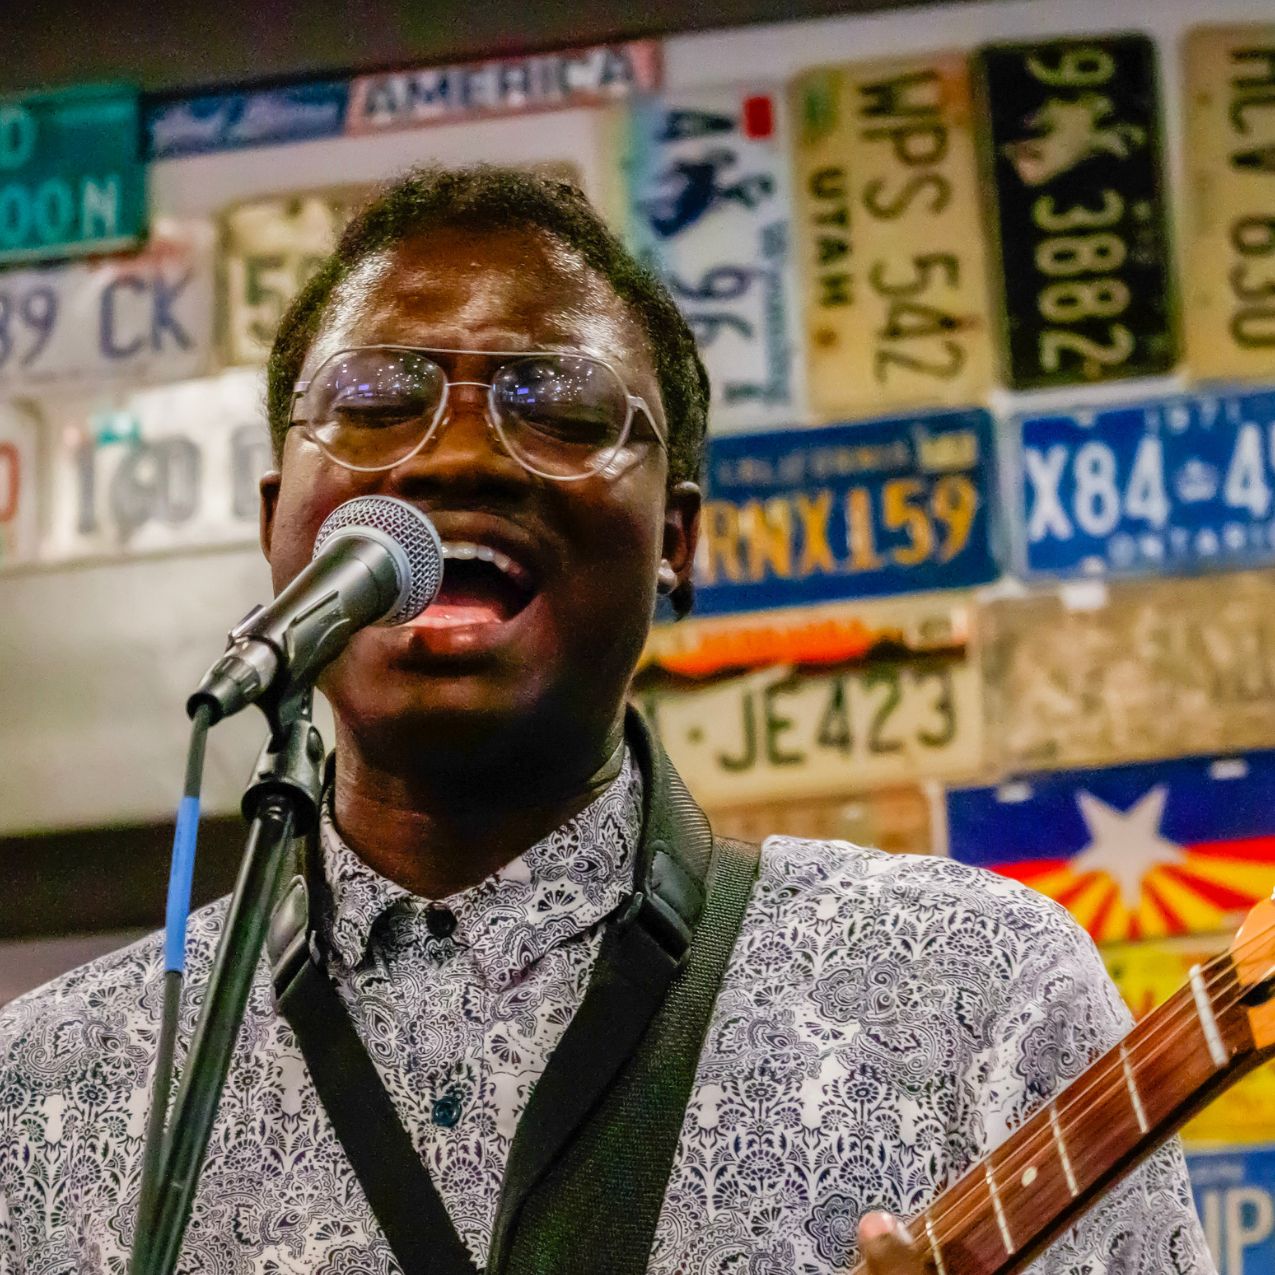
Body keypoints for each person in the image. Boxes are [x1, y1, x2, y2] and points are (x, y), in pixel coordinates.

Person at [0, 166, 1214, 1275]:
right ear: (283, 527)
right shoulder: (49, 1089)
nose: (459, 455)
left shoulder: (973, 988)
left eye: (560, 405)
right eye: (376, 397)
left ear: (675, 541)